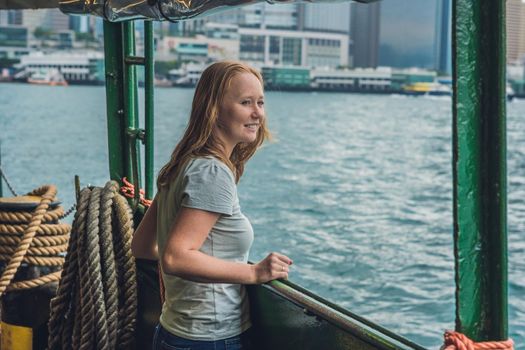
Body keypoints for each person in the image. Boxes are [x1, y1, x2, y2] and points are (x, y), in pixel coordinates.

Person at [131, 60, 293, 350]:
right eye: (246, 102)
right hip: (209, 338)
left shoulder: (183, 164)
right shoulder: (212, 173)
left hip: (173, 331)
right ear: (214, 110)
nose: (257, 113)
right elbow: (176, 257)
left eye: (260, 102)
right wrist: (254, 273)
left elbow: (142, 246)